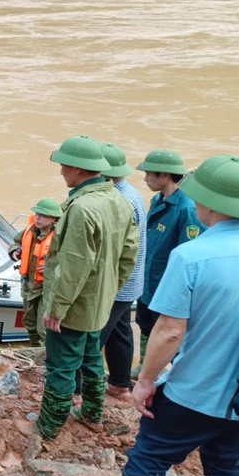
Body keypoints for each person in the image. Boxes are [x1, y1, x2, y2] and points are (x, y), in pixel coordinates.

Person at [83, 155, 239, 476]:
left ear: (211, 205)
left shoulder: (193, 256)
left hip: (196, 392)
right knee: (228, 462)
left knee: (149, 454)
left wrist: (144, 382)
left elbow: (168, 332)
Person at [37, 135, 138, 440]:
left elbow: (73, 265)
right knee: (92, 357)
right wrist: (110, 288)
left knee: (61, 365)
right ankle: (92, 414)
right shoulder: (118, 199)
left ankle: (48, 426)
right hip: (99, 301)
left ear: (79, 170)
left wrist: (57, 309)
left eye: (64, 166)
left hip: (74, 304)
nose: (61, 172)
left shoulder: (81, 208)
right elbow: (130, 251)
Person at [133, 149, 203, 375]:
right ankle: (146, 367)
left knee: (170, 333)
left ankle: (171, 374)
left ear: (165, 176)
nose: (145, 179)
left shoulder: (186, 208)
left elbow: (191, 253)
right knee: (145, 325)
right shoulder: (157, 200)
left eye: (149, 174)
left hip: (167, 284)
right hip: (148, 280)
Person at [90, 143, 147, 397]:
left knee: (94, 335)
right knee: (120, 331)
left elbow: (117, 248)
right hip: (131, 281)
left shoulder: (118, 199)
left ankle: (82, 391)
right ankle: (120, 384)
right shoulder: (131, 193)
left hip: (117, 282)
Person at [9, 199, 61, 347]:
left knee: (43, 328)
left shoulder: (60, 236)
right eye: (37, 214)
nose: (37, 218)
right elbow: (16, 242)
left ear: (53, 219)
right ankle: (34, 351)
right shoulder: (30, 229)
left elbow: (71, 260)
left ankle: (46, 359)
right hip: (29, 285)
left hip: (47, 287)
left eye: (43, 215)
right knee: (29, 323)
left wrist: (53, 266)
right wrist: (14, 250)